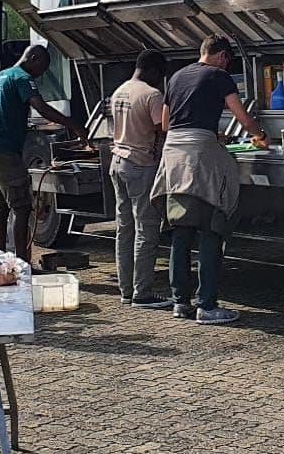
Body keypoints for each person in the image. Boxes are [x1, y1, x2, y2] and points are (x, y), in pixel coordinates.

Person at [150, 34, 269, 325]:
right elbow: (241, 116)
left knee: (180, 230)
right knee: (210, 227)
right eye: (227, 61)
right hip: (200, 157)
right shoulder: (219, 76)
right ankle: (207, 306)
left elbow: (167, 124)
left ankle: (181, 303)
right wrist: (259, 135)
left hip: (173, 156)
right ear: (222, 56)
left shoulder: (177, 76)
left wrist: (209, 131)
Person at [0, 45, 86, 267]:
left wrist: (14, 119)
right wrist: (73, 125)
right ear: (33, 58)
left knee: (1, 206)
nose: (41, 73)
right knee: (22, 207)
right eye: (42, 68)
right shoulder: (22, 78)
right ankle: (22, 265)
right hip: (4, 151)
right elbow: (41, 107)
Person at [110, 49, 171, 308]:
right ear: (154, 71)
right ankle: (142, 293)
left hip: (117, 162)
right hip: (140, 164)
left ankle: (126, 291)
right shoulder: (152, 95)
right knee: (146, 229)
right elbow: (164, 128)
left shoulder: (119, 90)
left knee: (124, 229)